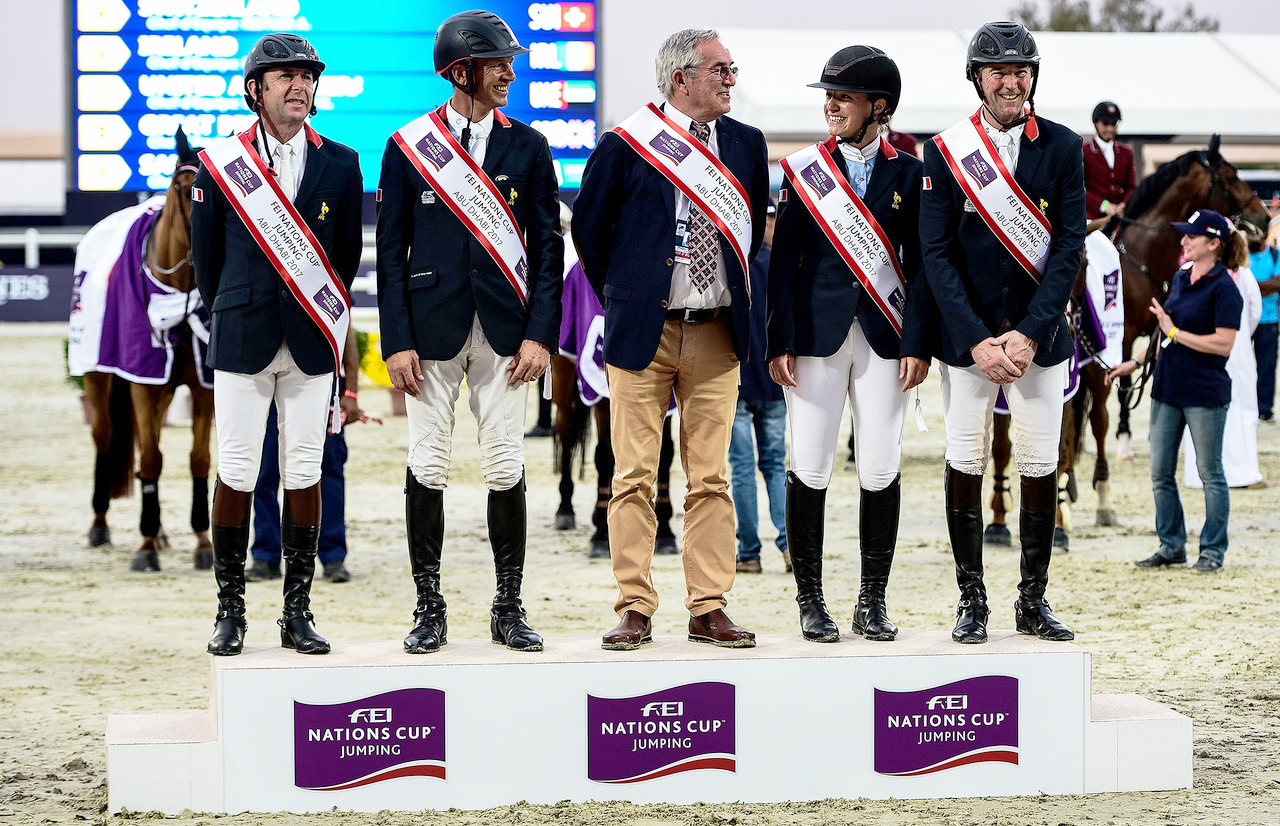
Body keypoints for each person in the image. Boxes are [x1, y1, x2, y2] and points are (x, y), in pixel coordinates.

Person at [573, 28, 770, 650]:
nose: (731, 80)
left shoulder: (747, 143)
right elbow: (589, 231)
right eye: (720, 70)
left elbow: (749, 235)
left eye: (732, 69)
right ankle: (634, 605)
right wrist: (627, 298)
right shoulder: (626, 144)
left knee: (710, 477)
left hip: (717, 332)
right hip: (645, 333)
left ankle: (708, 606)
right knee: (633, 475)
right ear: (681, 78)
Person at [376, 10, 563, 654]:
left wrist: (541, 335)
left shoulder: (529, 146)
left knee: (506, 462)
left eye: (509, 63)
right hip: (431, 329)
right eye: (497, 65)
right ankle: (429, 607)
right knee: (427, 462)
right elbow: (390, 250)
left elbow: (548, 247)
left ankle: (508, 606)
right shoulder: (407, 146)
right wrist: (396, 340)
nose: (509, 73)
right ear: (461, 72)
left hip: (508, 332)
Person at [192, 33, 364, 656]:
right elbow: (207, 264)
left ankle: (297, 612)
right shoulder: (219, 165)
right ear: (256, 90)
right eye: (285, 76)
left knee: (304, 470)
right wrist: (244, 304)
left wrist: (313, 310)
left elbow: (344, 259)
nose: (299, 85)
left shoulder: (341, 163)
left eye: (307, 76)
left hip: (312, 339)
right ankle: (230, 611)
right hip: (244, 334)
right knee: (237, 469)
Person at [921, 22, 1085, 644]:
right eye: (999, 72)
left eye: (1021, 71)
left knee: (1040, 462)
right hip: (971, 343)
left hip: (1037, 339)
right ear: (978, 79)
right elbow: (936, 253)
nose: (1011, 82)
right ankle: (972, 600)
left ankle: (1032, 601)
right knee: (965, 459)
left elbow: (1068, 247)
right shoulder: (946, 150)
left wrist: (1031, 334)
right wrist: (975, 339)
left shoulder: (1063, 146)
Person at [768, 46, 933, 643]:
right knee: (809, 464)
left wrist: (919, 341)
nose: (832, 106)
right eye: (829, 97)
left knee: (881, 465)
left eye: (844, 97)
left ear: (878, 107)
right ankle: (811, 601)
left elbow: (922, 265)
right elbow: (784, 263)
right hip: (816, 338)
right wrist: (779, 340)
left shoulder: (911, 174)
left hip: (887, 336)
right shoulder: (803, 170)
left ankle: (873, 600)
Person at [1106, 210, 1243, 573]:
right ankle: (1171, 545)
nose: (1184, 241)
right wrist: (1134, 363)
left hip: (1204, 392)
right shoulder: (1182, 276)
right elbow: (1162, 333)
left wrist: (1174, 333)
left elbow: (1223, 345)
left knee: (1210, 473)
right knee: (1160, 472)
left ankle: (1212, 550)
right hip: (1167, 388)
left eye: (1191, 236)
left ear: (1213, 244)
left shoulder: (1225, 288)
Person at [248, 326, 364, 584]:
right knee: (264, 472)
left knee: (329, 469)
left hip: (320, 381)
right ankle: (266, 555)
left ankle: (333, 555)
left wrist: (351, 391)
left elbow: (345, 328)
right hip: (266, 380)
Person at [730, 199, 787, 575]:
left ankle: (749, 552)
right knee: (775, 465)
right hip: (775, 379)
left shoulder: (733, 263)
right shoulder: (783, 265)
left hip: (737, 378)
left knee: (742, 467)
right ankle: (789, 544)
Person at [1184, 230, 1262, 488]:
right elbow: (1255, 312)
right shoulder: (1244, 275)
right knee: (1243, 410)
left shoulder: (1191, 273)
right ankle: (1244, 470)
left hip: (1203, 348)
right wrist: (1241, 336)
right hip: (1237, 349)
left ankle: (1199, 474)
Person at [1082, 101, 1137, 221]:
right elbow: (1079, 187)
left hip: (1120, 218)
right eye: (1105, 124)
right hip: (1092, 217)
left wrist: (1124, 204)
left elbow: (1131, 186)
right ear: (1095, 123)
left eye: (1113, 124)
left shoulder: (1126, 152)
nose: (1110, 128)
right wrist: (1104, 205)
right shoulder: (1084, 151)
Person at [1249, 225, 1280, 422]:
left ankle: (1264, 409)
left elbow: (1277, 284)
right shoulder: (1243, 254)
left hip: (1269, 319)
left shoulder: (1275, 255)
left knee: (1267, 365)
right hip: (1245, 319)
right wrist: (1265, 287)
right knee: (1240, 364)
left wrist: (1250, 285)